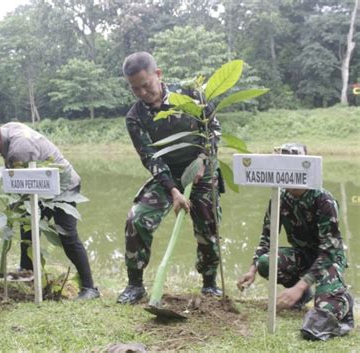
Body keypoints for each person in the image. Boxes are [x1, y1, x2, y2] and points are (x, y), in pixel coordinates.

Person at [117, 51, 223, 304]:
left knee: (208, 226)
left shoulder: (191, 96)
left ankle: (209, 284)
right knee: (137, 219)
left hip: (202, 170)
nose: (142, 93)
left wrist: (202, 160)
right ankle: (135, 285)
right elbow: (150, 157)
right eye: (135, 89)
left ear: (159, 74)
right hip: (166, 175)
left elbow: (214, 131)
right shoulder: (135, 117)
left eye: (146, 85)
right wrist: (174, 190)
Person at [0, 122, 100, 300]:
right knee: (28, 226)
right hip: (42, 187)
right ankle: (28, 271)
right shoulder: (8, 129)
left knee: (68, 236)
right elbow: (13, 172)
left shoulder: (19, 147)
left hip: (63, 187)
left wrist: (11, 206)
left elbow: (20, 183)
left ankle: (90, 288)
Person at [237, 143, 355, 341]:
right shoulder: (279, 197)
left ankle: (341, 299)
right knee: (266, 262)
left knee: (320, 320)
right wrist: (252, 269)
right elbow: (267, 235)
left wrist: (298, 286)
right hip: (302, 255)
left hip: (328, 260)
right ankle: (303, 297)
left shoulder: (323, 200)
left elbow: (328, 251)